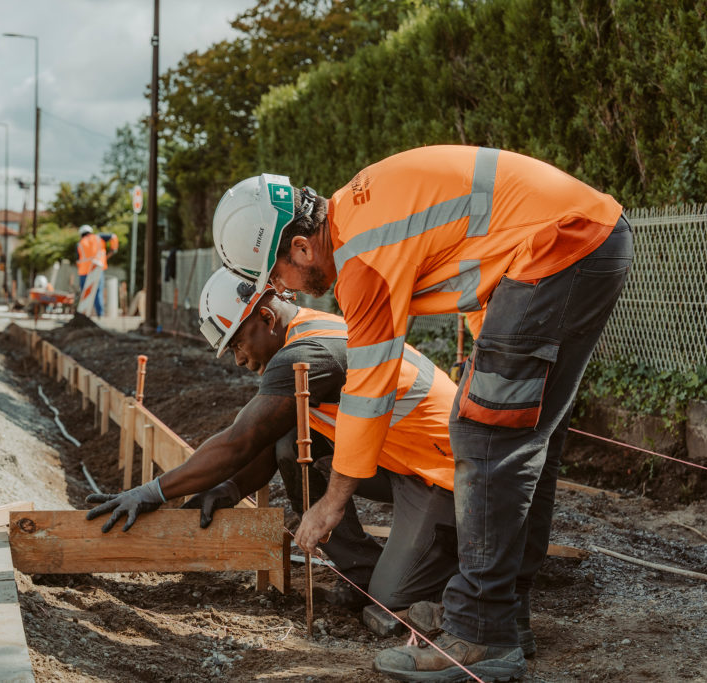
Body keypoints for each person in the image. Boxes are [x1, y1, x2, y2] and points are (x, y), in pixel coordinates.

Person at [211, 146, 633, 681]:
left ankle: (481, 636)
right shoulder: (362, 217)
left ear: (300, 246)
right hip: (582, 239)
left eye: (278, 277)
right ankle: (507, 618)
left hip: (563, 246)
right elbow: (488, 258)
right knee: (525, 433)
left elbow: (370, 389)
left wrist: (332, 503)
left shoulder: (360, 255)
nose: (286, 291)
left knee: (484, 430)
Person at [86, 267, 461, 629]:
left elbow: (239, 442)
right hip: (402, 456)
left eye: (237, 343)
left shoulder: (306, 353)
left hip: (444, 471)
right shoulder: (308, 328)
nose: (239, 360)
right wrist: (230, 488)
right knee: (291, 440)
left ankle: (459, 564)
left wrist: (153, 492)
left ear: (265, 317)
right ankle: (361, 572)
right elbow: (270, 438)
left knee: (392, 601)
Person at [76, 224, 110, 316]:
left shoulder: (80, 243)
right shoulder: (98, 238)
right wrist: (114, 249)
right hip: (97, 270)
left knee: (85, 295)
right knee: (98, 292)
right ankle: (100, 315)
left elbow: (78, 259)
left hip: (83, 272)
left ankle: (84, 316)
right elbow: (113, 237)